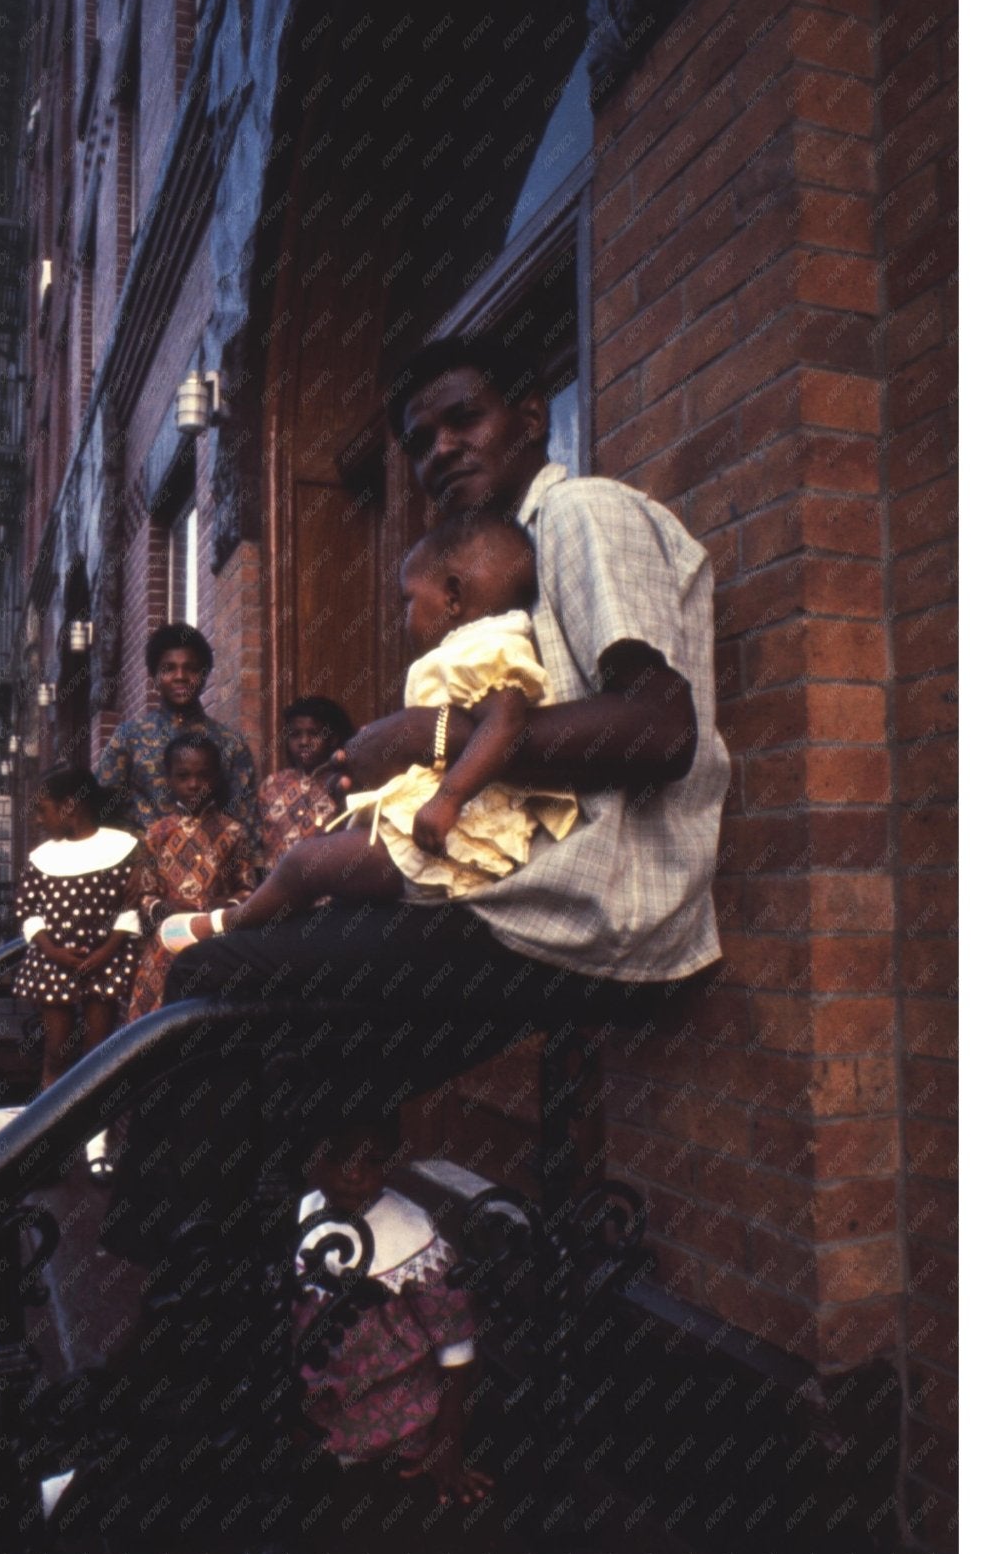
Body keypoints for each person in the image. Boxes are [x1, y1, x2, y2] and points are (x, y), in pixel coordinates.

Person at [142, 329, 730, 1188]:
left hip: (586, 900)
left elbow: (661, 731)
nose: (439, 451)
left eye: (464, 419)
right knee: (296, 1071)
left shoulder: (582, 512)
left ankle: (189, 1298)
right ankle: (295, 1283)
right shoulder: (504, 559)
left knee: (212, 977)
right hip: (520, 894)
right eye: (419, 440)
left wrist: (424, 739)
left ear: (531, 416)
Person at [160, 519, 578, 945]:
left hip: (455, 832)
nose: (404, 618)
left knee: (306, 863)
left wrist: (449, 797)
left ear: (452, 597)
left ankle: (228, 924)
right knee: (324, 846)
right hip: (435, 821)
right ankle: (276, 917)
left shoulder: (480, 649)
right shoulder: (472, 648)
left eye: (408, 601)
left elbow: (507, 722)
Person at [294, 1122, 493, 1507]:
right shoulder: (308, 1209)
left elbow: (457, 1343)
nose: (353, 1175)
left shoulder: (409, 1228)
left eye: (371, 1161)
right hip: (324, 1380)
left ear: (391, 1161)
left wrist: (448, 1440)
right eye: (337, 1157)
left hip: (391, 1392)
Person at [12, 765, 141, 1090]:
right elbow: (29, 911)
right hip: (54, 963)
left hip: (105, 962)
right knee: (56, 1053)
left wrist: (107, 951)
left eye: (43, 811)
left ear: (69, 807)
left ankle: (94, 1134)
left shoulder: (123, 847)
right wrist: (51, 949)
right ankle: (51, 1129)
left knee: (97, 1053)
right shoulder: (41, 857)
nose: (39, 820)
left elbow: (131, 906)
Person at [124, 732, 257, 1022]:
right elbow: (146, 894)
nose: (193, 784)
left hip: (215, 939)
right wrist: (163, 909)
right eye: (183, 776)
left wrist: (221, 904)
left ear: (216, 778)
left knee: (209, 1017)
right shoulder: (157, 833)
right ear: (169, 780)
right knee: (157, 1025)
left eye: (203, 776)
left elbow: (248, 889)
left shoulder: (232, 832)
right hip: (167, 942)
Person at [94, 622, 259, 843]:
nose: (180, 676)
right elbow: (102, 809)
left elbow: (244, 821)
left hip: (210, 868)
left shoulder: (230, 744)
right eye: (169, 668)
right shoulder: (129, 738)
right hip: (143, 865)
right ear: (154, 677)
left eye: (190, 668)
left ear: (204, 675)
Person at [256, 695, 354, 872]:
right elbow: (259, 848)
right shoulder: (272, 785)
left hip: (329, 895)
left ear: (332, 738)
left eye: (313, 734)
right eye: (295, 735)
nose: (304, 742)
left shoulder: (346, 784)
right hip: (277, 893)